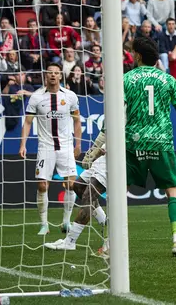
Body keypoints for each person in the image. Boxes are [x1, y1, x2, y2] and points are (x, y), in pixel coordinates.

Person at [122, 37, 176, 257]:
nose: (132, 56)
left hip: (133, 143)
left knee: (119, 193)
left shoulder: (126, 79)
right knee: (173, 193)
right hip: (161, 142)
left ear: (139, 56)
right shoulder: (169, 80)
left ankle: (109, 244)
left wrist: (97, 147)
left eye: (134, 53)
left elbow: (117, 116)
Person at [18, 63, 82, 236]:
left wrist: (78, 144)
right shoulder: (36, 97)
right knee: (42, 185)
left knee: (71, 184)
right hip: (45, 146)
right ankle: (44, 224)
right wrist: (22, 144)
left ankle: (66, 221)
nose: (53, 75)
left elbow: (77, 121)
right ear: (46, 76)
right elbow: (28, 122)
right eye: (50, 73)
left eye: (56, 73)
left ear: (61, 76)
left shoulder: (70, 96)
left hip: (66, 146)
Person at [44, 132, 109, 252]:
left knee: (88, 196)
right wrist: (97, 149)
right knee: (78, 186)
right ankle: (104, 220)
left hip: (114, 158)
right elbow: (105, 133)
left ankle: (70, 242)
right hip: (103, 158)